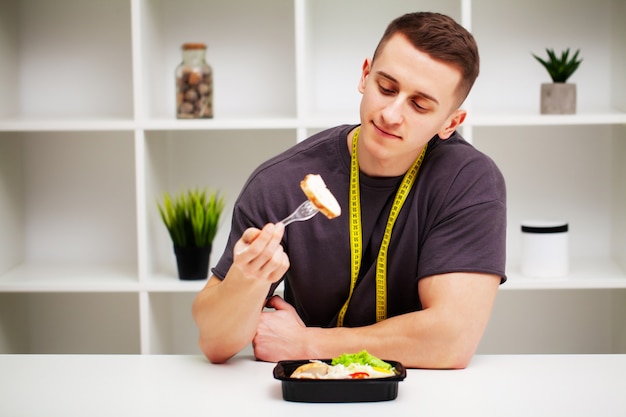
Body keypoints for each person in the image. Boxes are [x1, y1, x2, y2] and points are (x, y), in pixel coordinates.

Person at [192, 11, 506, 369]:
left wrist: (306, 342)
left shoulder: (468, 181)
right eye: (386, 88)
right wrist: (244, 282)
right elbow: (215, 343)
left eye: (419, 105)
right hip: (310, 386)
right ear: (364, 75)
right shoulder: (281, 181)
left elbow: (451, 339)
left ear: (451, 122)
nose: (391, 114)